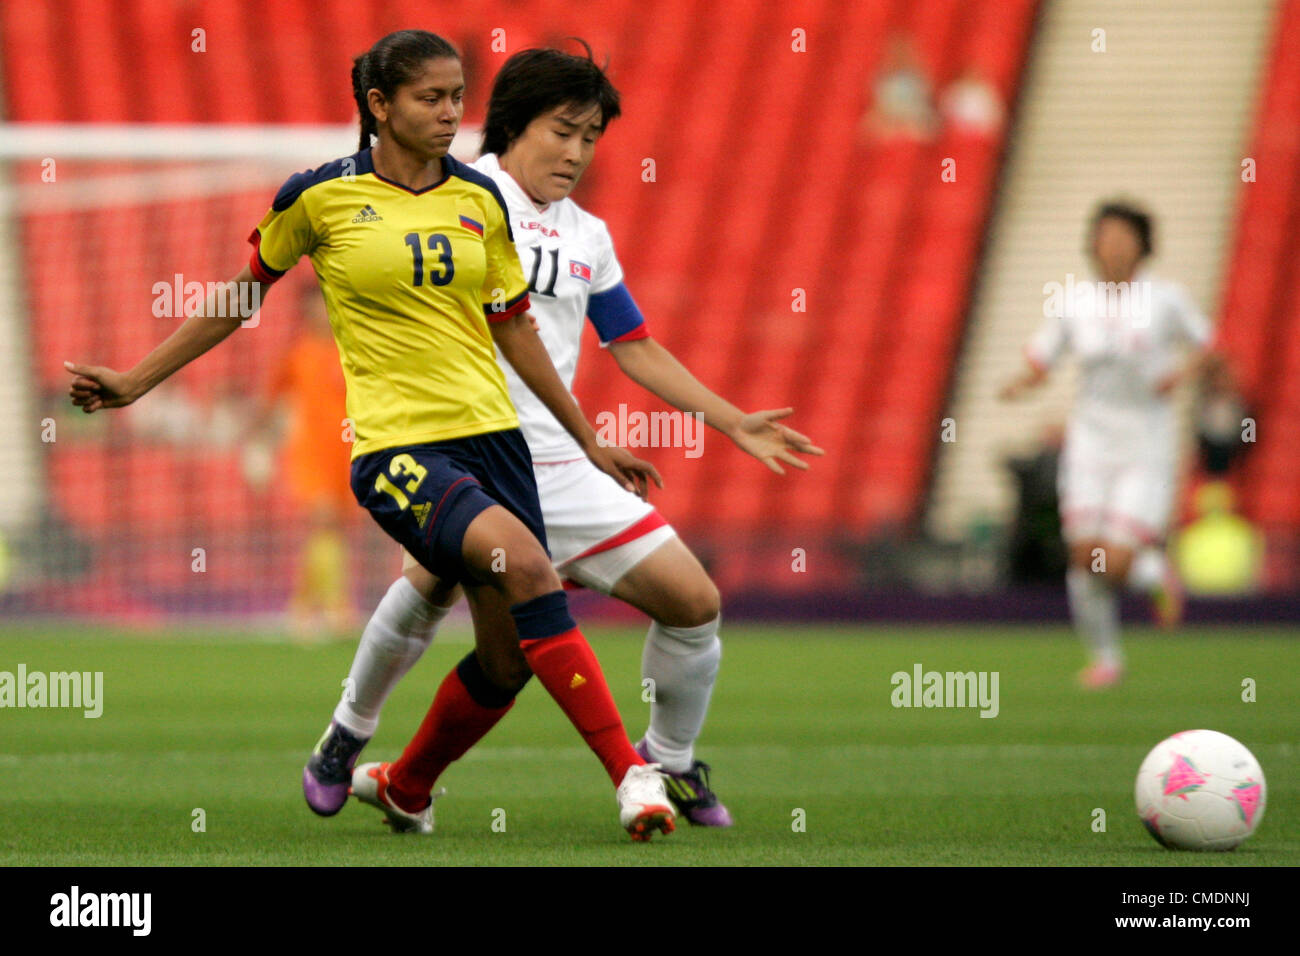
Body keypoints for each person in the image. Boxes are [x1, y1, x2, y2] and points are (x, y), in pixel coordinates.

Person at [66, 29, 677, 841]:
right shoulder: (317, 197)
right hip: (397, 449)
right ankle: (634, 778)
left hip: (495, 444)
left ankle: (403, 784)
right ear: (379, 105)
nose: (451, 112)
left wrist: (588, 438)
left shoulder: (479, 200)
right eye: (431, 98)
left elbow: (516, 328)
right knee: (532, 570)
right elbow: (239, 297)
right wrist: (136, 380)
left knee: (505, 662)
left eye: (458, 97)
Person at [321, 44, 822, 833]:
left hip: (562, 459)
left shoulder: (588, 234)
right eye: (564, 131)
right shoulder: (455, 194)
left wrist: (729, 418)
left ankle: (667, 759)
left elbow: (633, 344)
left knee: (694, 603)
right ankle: (348, 734)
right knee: (441, 592)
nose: (577, 153)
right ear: (515, 124)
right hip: (470, 454)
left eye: (590, 137)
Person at [999, 201, 1213, 687]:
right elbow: (1042, 358)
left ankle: (1153, 573)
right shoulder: (1075, 301)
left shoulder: (1166, 299)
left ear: (1143, 244)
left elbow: (1208, 345)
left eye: (1123, 235)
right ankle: (1107, 659)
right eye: (1104, 235)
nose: (1112, 245)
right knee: (1083, 558)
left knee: (1112, 560)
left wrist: (1180, 375)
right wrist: (1021, 384)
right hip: (1090, 445)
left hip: (1144, 445)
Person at [246, 280, 356, 640]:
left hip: (348, 454)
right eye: (314, 306)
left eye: (325, 305)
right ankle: (337, 608)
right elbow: (268, 401)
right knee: (323, 521)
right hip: (310, 454)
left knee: (332, 530)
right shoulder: (297, 354)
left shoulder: (351, 351)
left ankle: (303, 607)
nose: (320, 313)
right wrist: (254, 443)